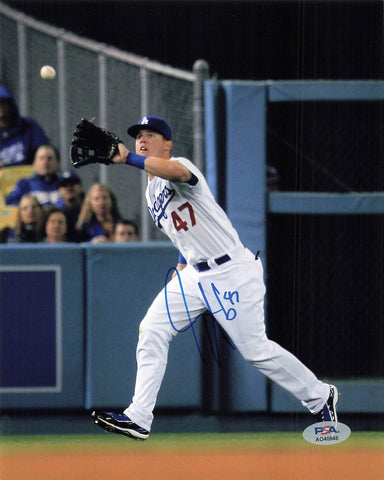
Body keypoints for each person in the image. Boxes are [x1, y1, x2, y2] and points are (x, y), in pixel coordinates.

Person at [90, 116, 338, 440]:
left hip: (231, 271)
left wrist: (128, 159)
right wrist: (181, 270)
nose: (142, 140)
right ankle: (138, 417)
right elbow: (184, 234)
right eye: (138, 136)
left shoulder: (179, 165)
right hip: (194, 274)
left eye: (151, 135)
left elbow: (178, 174)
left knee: (255, 351)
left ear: (167, 144)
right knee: (151, 329)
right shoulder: (152, 193)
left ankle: (321, 395)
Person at [0, 85, 49, 166]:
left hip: (29, 175)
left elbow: (43, 151)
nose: (1, 108)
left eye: (3, 103)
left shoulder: (28, 127)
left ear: (10, 105)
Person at [56, 171, 86, 242]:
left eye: (72, 184)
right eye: (65, 185)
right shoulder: (56, 212)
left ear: (80, 187)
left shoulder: (90, 209)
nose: (69, 188)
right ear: (59, 190)